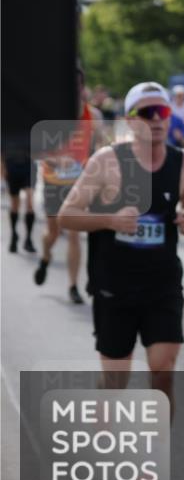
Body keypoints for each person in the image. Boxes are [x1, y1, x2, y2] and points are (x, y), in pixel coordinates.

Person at [58, 81, 184, 480]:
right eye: (147, 113)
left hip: (162, 284)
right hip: (114, 285)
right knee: (116, 380)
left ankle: (151, 466)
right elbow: (67, 215)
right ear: (130, 120)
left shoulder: (183, 162)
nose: (157, 121)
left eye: (163, 113)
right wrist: (108, 220)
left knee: (163, 370)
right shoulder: (106, 162)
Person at [34, 69, 104, 304]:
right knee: (53, 233)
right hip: (53, 181)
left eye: (77, 85)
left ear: (82, 87)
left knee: (75, 233)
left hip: (79, 183)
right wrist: (57, 161)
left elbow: (102, 148)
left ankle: (73, 286)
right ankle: (45, 256)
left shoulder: (93, 116)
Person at [2, 141, 37, 254]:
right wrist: (3, 171)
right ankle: (14, 235)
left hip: (29, 168)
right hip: (12, 168)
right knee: (14, 205)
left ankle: (28, 238)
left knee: (30, 203)